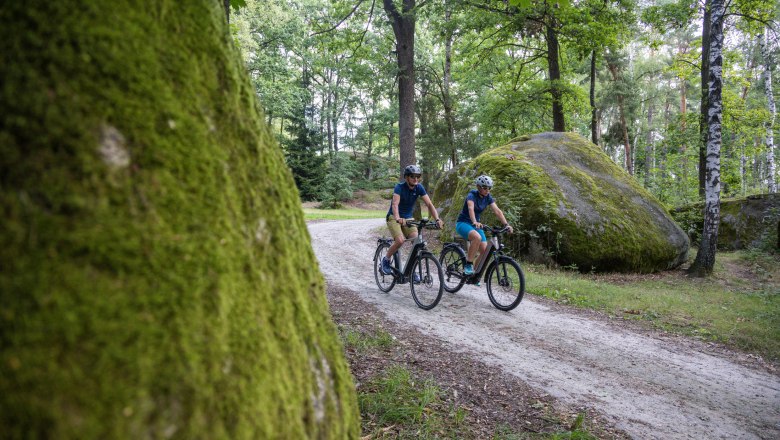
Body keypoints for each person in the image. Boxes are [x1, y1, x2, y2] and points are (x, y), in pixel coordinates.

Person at [381, 164, 443, 275]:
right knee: (400, 241)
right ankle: (386, 260)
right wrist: (397, 218)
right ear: (406, 177)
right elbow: (395, 204)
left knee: (416, 241)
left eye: (418, 176)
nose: (416, 179)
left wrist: (437, 219)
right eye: (412, 176)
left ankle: (411, 269)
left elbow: (429, 204)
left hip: (408, 218)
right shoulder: (399, 187)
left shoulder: (419, 187)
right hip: (393, 217)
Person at [455, 175, 513, 275]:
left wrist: (506, 224)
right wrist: (474, 221)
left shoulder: (488, 197)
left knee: (485, 251)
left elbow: (497, 211)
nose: (487, 190)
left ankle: (475, 273)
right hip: (463, 223)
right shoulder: (472, 195)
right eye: (485, 188)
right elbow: (470, 208)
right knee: (476, 238)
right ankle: (468, 265)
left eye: (489, 188)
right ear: (478, 187)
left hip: (476, 225)